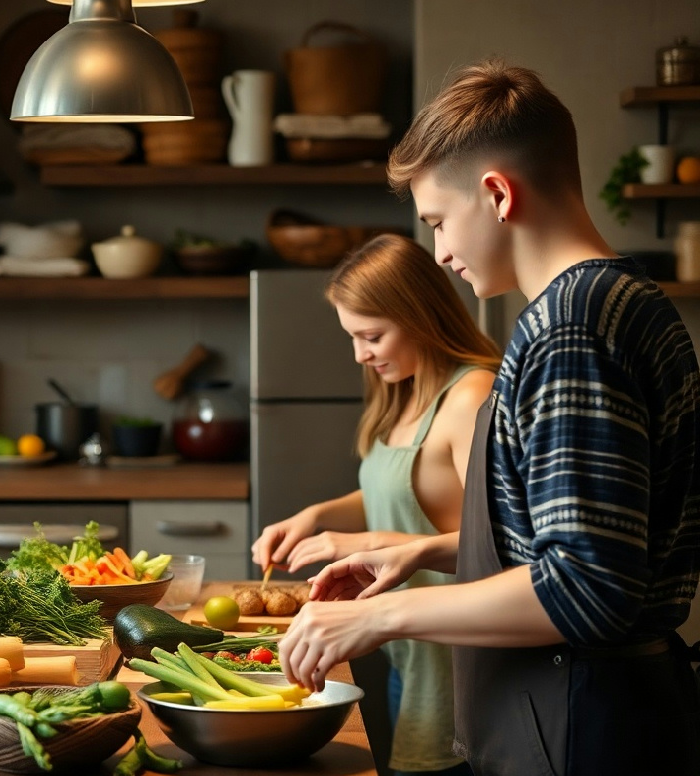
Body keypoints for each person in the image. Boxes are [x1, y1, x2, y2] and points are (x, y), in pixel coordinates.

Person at [283, 60, 700, 776]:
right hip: (591, 709)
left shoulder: (571, 330)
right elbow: (584, 541)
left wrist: (379, 616)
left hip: (583, 723)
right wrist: (424, 553)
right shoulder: (618, 300)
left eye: (440, 222)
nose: (441, 254)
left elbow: (585, 587)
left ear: (498, 194)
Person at [252, 233, 497, 776]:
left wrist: (365, 543)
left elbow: (498, 545)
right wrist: (316, 515)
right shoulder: (406, 392)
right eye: (354, 337)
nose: (360, 354)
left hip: (454, 661)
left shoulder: (471, 395)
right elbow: (399, 492)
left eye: (372, 336)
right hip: (404, 649)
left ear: (421, 316)